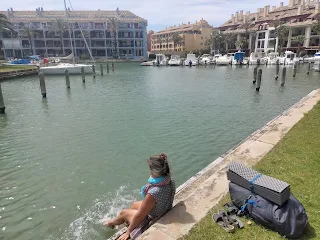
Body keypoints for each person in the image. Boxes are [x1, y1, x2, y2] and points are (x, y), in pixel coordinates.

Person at [104, 153, 175, 240]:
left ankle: (113, 223)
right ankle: (126, 220)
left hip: (156, 215)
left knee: (124, 212)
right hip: (164, 207)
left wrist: (128, 232)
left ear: (153, 171)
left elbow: (140, 215)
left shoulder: (154, 192)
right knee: (134, 205)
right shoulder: (169, 178)